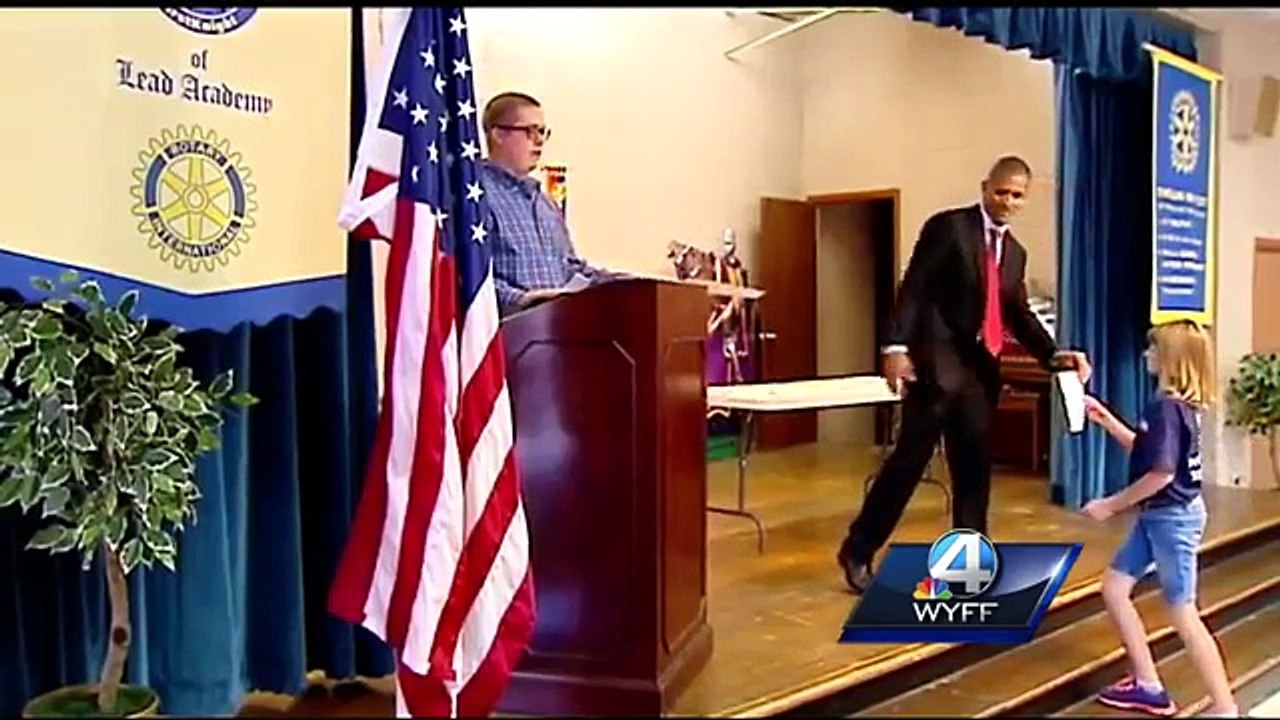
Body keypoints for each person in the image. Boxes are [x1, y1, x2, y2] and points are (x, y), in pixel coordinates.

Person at [836, 155, 1092, 593]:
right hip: (934, 366)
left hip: (978, 374)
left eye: (1016, 195)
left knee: (973, 472)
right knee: (909, 462)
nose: (1007, 201)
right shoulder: (949, 228)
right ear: (984, 187)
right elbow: (914, 287)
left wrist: (1054, 356)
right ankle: (858, 549)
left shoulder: (1014, 254)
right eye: (1001, 192)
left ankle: (970, 564)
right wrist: (895, 348)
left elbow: (1017, 314)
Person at [1079, 320, 1237, 718]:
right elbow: (1146, 450)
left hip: (1171, 520)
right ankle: (1148, 683)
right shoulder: (1179, 408)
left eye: (1154, 349)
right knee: (1115, 588)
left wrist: (1111, 505)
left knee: (1184, 612)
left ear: (1171, 359)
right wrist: (1105, 418)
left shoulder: (1166, 409)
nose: (1146, 354)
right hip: (1162, 517)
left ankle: (1224, 707)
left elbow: (1161, 474)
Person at [478, 91, 609, 316]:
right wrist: (523, 300)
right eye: (529, 131)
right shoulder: (474, 195)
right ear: (498, 133)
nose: (539, 140)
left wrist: (632, 283)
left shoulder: (545, 203)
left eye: (542, 132)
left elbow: (570, 269)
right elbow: (462, 275)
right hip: (503, 339)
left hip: (555, 334)